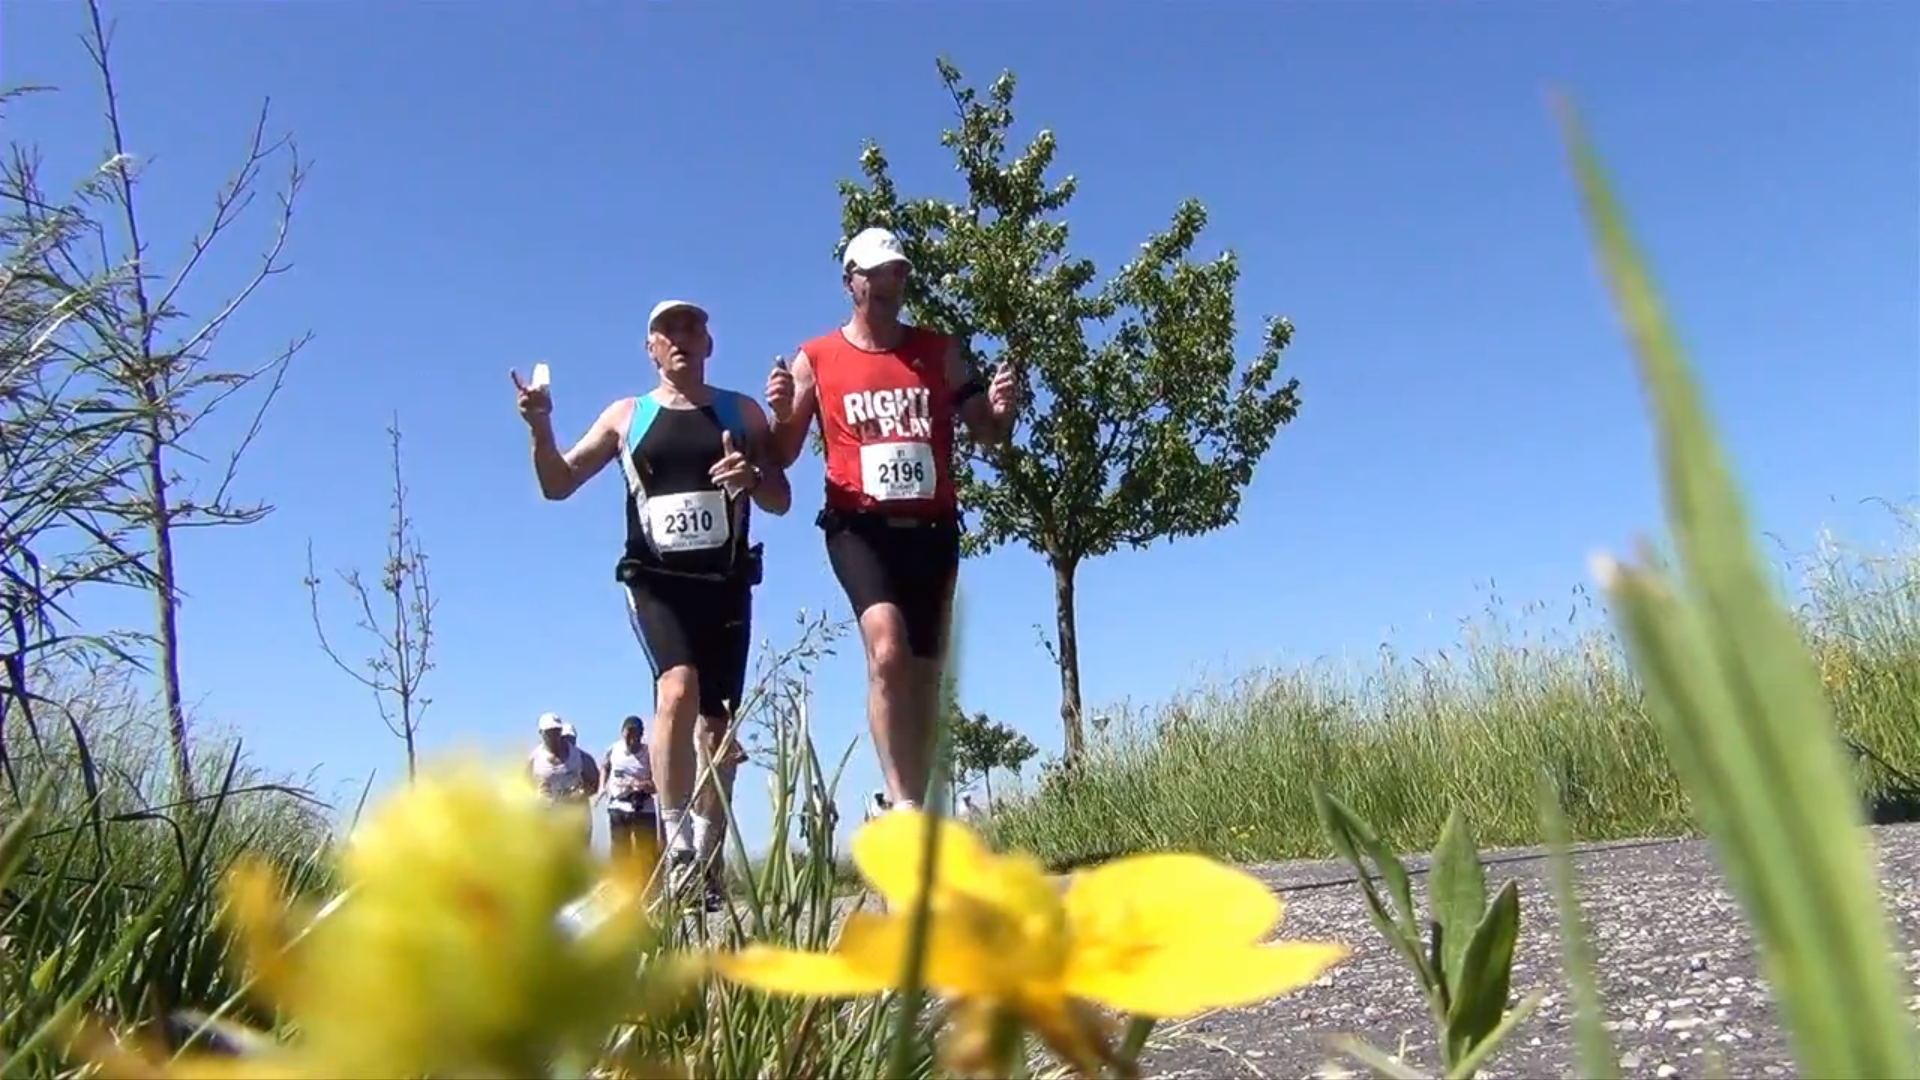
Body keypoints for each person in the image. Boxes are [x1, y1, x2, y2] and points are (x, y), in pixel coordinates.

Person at [512, 298, 790, 910]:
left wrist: (752, 479)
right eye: (668, 330)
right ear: (651, 348)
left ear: (710, 343)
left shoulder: (740, 411)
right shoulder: (626, 416)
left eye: (692, 327)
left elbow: (781, 497)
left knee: (717, 730)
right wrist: (540, 428)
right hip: (656, 580)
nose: (681, 338)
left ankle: (706, 857)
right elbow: (557, 484)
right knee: (676, 689)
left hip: (726, 583)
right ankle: (679, 842)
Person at [765, 227, 1019, 812]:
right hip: (859, 526)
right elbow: (781, 455)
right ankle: (901, 804)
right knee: (887, 651)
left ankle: (918, 796)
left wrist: (1001, 413)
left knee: (926, 674)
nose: (888, 284)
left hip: (932, 528)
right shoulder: (816, 358)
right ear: (849, 280)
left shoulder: (940, 352)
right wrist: (782, 412)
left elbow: (987, 435)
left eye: (898, 273)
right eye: (875, 274)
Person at [528, 712, 594, 843]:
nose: (567, 741)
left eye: (571, 738)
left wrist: (581, 793)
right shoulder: (535, 758)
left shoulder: (579, 757)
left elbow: (592, 784)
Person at [602, 715, 658, 863]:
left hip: (643, 807)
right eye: (629, 734)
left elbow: (659, 784)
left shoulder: (649, 753)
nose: (632, 739)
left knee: (647, 853)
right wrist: (603, 786)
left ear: (641, 734)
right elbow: (605, 766)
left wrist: (643, 785)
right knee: (620, 853)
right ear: (623, 734)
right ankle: (622, 883)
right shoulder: (614, 749)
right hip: (618, 805)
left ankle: (647, 883)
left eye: (636, 734)